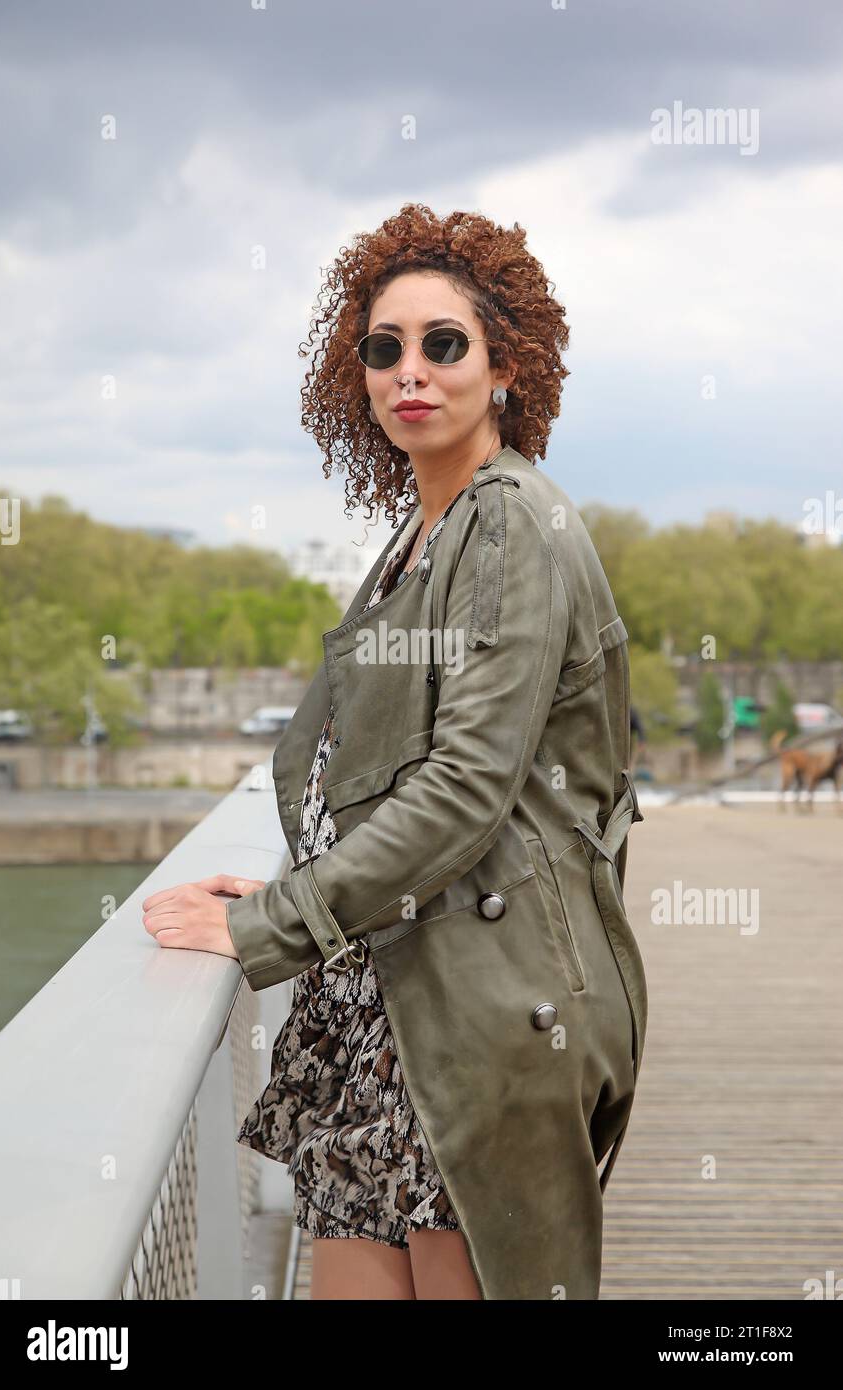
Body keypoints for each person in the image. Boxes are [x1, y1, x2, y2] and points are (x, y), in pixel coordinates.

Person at [143, 203, 648, 1301]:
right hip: (376, 1002)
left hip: (470, 1012)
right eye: (382, 348)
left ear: (504, 364)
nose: (407, 371)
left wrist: (267, 924)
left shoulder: (511, 520)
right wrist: (294, 884)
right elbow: (373, 777)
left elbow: (466, 787)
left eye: (441, 344)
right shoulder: (420, 531)